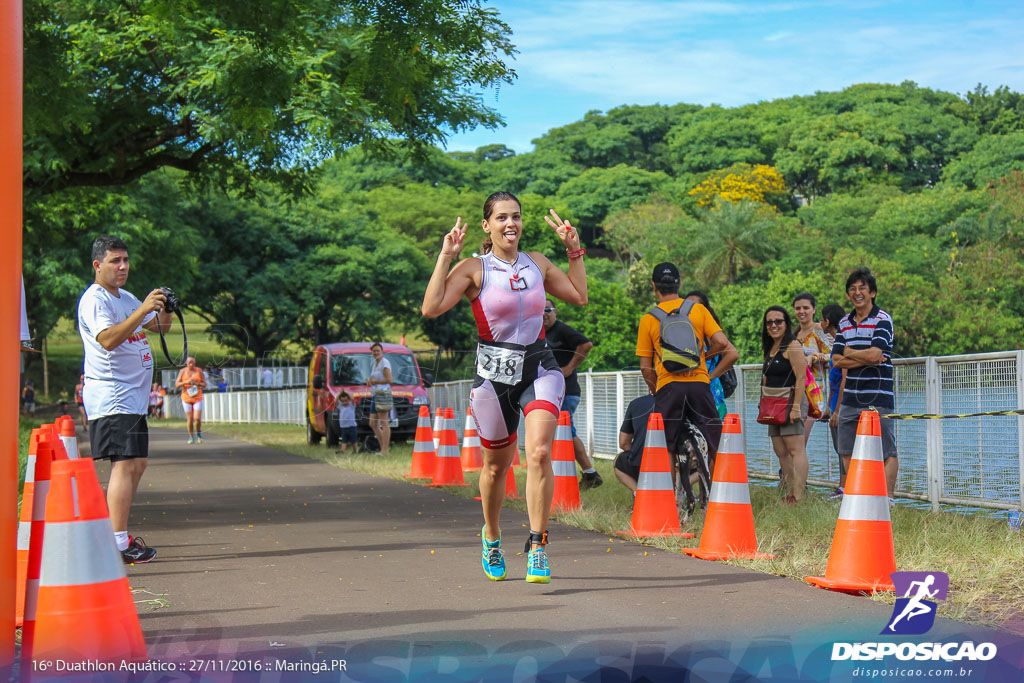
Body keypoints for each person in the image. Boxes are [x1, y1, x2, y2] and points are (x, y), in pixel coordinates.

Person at [421, 191, 587, 584]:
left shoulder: (538, 264)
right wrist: (446, 255)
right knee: (495, 467)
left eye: (516, 216)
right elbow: (430, 309)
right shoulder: (473, 269)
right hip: (493, 379)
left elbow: (579, 297)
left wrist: (575, 252)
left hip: (539, 367)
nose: (510, 224)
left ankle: (538, 545)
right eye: (501, 218)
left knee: (541, 452)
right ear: (487, 225)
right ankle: (492, 536)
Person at [77, 235, 172, 563]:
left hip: (132, 399)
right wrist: (143, 308)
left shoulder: (127, 297)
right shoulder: (96, 300)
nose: (123, 266)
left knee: (138, 463)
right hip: (113, 395)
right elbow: (108, 339)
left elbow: (160, 328)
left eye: (125, 260)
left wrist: (166, 308)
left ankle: (116, 535)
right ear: (97, 265)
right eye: (115, 261)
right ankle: (117, 542)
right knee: (124, 463)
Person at [636, 263, 737, 496]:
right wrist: (701, 358)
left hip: (668, 387)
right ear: (679, 284)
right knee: (716, 443)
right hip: (699, 384)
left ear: (654, 286)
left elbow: (645, 368)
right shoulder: (698, 311)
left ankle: (668, 502)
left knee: (666, 446)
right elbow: (722, 343)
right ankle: (724, 497)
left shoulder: (648, 319)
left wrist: (655, 388)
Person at [831, 267, 898, 501]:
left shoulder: (883, 319)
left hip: (878, 395)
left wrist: (850, 352)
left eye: (862, 288)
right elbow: (837, 360)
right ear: (848, 295)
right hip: (850, 395)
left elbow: (874, 355)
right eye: (852, 289)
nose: (857, 292)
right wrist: (865, 354)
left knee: (886, 449)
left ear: (872, 293)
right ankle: (861, 495)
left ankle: (887, 498)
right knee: (846, 448)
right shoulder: (844, 323)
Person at [541, 298, 601, 488]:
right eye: (540, 310)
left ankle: (590, 474)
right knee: (555, 432)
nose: (544, 314)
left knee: (567, 431)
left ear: (555, 312)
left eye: (548, 309)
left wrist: (569, 367)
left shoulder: (562, 329)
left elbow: (586, 344)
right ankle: (570, 473)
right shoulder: (536, 333)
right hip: (549, 392)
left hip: (567, 392)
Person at [761, 306, 809, 503]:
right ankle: (789, 492)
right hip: (772, 404)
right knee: (780, 451)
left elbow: (801, 377)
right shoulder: (770, 347)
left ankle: (799, 496)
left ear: (786, 323)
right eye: (769, 322)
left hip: (790, 402)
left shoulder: (793, 345)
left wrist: (796, 407)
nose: (774, 325)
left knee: (795, 449)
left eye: (778, 321)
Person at [793, 292, 832, 444]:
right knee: (792, 441)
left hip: (814, 393)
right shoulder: (794, 335)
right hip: (796, 391)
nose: (801, 311)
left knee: (800, 441)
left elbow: (834, 354)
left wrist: (814, 357)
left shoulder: (820, 331)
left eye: (805, 308)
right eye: (798, 308)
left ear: (814, 309)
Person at [683, 291, 728, 419]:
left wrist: (711, 377)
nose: (691, 309)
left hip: (710, 390)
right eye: (687, 305)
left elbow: (732, 354)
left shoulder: (709, 332)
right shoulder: (682, 331)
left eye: (695, 306)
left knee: (715, 434)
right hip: (689, 390)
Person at [820, 303, 847, 499]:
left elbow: (845, 378)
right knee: (840, 448)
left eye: (821, 319)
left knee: (844, 447)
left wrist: (837, 410)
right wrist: (829, 407)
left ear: (827, 322)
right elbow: (833, 380)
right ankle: (842, 486)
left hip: (843, 404)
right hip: (835, 401)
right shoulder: (836, 344)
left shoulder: (843, 344)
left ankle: (846, 487)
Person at [613, 393, 656, 495]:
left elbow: (623, 443)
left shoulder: (636, 403)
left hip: (641, 464)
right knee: (699, 461)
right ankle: (679, 490)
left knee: (618, 461)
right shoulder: (683, 402)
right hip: (676, 467)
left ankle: (639, 494)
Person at [366, 342, 393, 455]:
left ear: (382, 351)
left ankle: (385, 449)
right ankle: (383, 447)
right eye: (374, 351)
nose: (376, 352)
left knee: (384, 422)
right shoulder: (375, 363)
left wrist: (374, 381)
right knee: (372, 423)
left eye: (378, 350)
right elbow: (374, 378)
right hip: (375, 394)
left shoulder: (384, 363)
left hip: (383, 394)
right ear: (371, 352)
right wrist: (369, 381)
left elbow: (389, 380)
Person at [176, 356, 207, 444]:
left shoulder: (199, 371)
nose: (191, 364)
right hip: (186, 397)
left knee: (197, 418)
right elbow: (177, 384)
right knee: (190, 418)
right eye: (189, 362)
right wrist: (186, 382)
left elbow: (205, 384)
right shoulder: (182, 371)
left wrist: (196, 383)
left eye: (192, 362)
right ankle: (191, 437)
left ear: (195, 362)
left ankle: (199, 434)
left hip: (197, 397)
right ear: (186, 363)